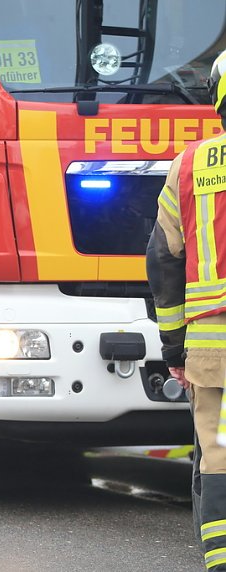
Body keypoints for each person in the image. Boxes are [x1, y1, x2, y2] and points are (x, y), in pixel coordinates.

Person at [147, 50, 226, 570]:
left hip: (214, 352)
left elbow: (163, 260)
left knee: (218, 453)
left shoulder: (190, 166)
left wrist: (173, 347)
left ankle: (220, 559)